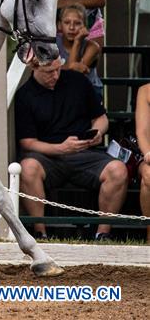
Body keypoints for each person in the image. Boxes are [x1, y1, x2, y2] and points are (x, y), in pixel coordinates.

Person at [15, 58, 128, 241]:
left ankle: (103, 233)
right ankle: (40, 232)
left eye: (58, 70)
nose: (55, 75)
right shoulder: (24, 95)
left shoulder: (78, 81)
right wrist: (60, 148)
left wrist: (98, 133)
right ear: (34, 68)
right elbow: (28, 143)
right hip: (48, 157)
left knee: (118, 170)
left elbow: (101, 119)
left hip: (85, 152)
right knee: (27, 168)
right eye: (49, 72)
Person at [57, 3, 102, 102]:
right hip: (62, 92)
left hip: (89, 92)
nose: (72, 27)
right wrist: (70, 67)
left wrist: (77, 41)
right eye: (67, 22)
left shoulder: (93, 47)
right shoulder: (54, 45)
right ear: (59, 25)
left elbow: (73, 76)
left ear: (85, 27)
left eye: (77, 23)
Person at [135, 84, 150, 243]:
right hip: (148, 154)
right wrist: (148, 153)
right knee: (149, 175)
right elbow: (142, 132)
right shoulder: (145, 91)